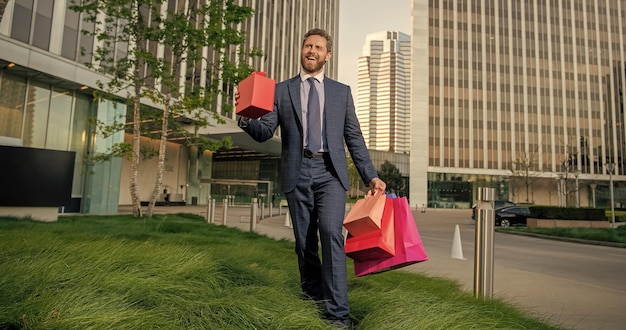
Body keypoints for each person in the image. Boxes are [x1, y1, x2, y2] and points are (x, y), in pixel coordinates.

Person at [238, 28, 385, 328]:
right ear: (302, 50)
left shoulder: (341, 92)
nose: (311, 50)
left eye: (318, 47)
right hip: (297, 172)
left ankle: (338, 316)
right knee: (304, 244)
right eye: (307, 45)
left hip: (330, 173)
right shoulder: (281, 90)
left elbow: (353, 137)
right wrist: (245, 117)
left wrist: (371, 175)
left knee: (331, 236)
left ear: (327, 55)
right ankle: (313, 299)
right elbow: (266, 130)